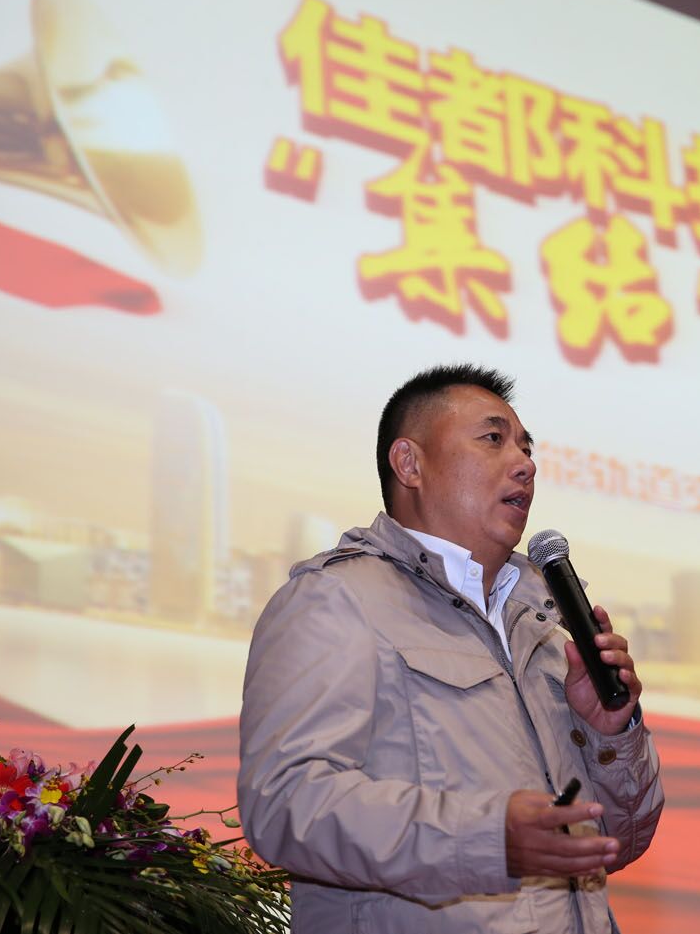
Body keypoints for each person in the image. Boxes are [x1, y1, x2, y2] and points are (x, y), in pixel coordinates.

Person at [238, 364, 664, 932]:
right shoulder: (338, 599)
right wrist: (486, 839)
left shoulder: (542, 627)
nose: (525, 464)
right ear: (409, 464)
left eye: (526, 447)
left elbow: (615, 843)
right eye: (493, 438)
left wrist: (610, 733)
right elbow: (287, 804)